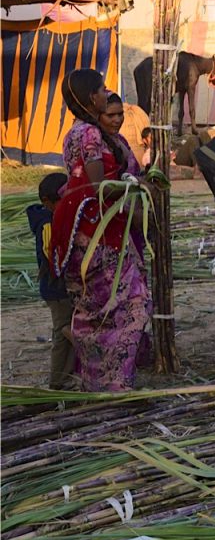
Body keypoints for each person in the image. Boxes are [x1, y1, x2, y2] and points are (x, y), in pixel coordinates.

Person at [51, 70, 152, 391]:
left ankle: (98, 379)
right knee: (131, 305)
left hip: (90, 231)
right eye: (101, 89)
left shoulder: (77, 133)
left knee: (98, 308)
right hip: (100, 235)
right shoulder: (91, 135)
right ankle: (114, 382)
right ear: (89, 98)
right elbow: (99, 187)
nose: (106, 92)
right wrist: (139, 186)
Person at [28, 172, 75, 390]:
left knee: (66, 328)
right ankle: (57, 381)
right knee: (62, 331)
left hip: (60, 287)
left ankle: (68, 375)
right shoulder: (47, 223)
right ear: (47, 202)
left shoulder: (54, 216)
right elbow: (53, 255)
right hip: (56, 288)